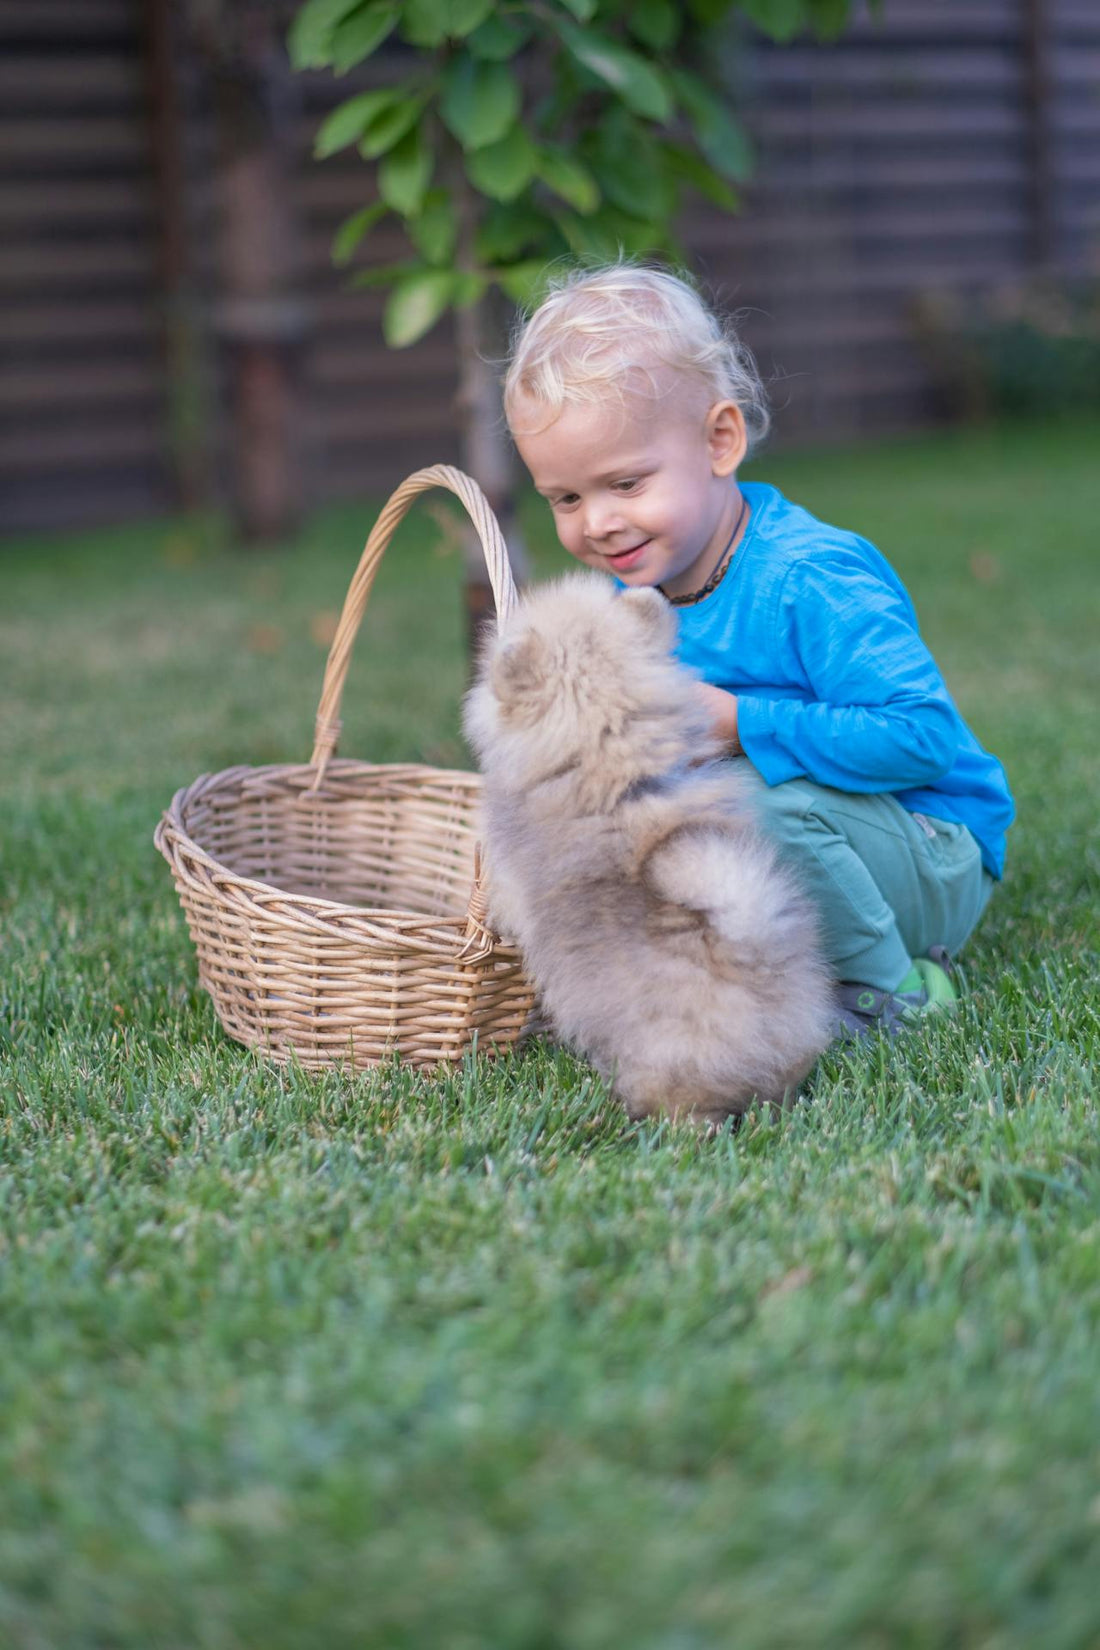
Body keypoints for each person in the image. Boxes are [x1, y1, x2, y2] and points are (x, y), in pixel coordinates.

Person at [501, 262, 1014, 1037]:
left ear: (720, 440)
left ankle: (887, 989)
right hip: (807, 835)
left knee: (755, 807)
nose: (597, 523)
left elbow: (923, 740)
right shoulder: (628, 595)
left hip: (926, 844)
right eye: (567, 499)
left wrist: (741, 723)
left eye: (626, 484)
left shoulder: (810, 578)